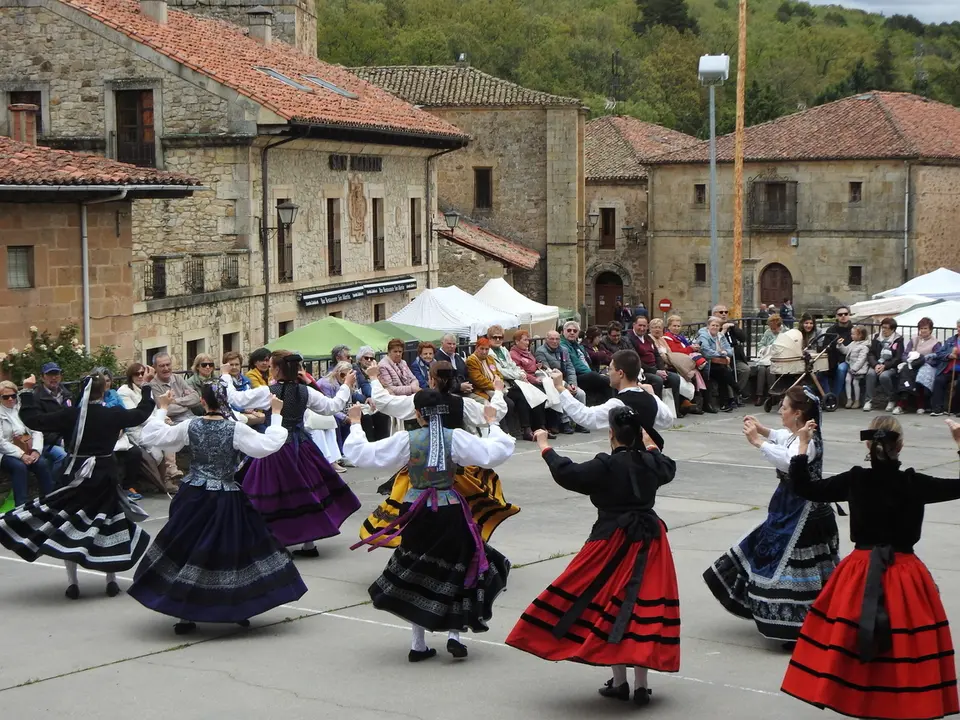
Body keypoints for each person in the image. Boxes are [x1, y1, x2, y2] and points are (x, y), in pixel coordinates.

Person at [780, 416, 960, 720]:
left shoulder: (856, 479)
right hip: (905, 573)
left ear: (868, 445)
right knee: (905, 644)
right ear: (900, 445)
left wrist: (802, 444)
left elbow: (805, 487)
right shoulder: (914, 483)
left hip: (859, 572)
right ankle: (901, 704)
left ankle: (863, 701)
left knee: (852, 639)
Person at [505, 408, 679, 706]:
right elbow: (667, 465)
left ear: (610, 433)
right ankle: (640, 685)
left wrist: (545, 446)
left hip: (611, 540)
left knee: (606, 601)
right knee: (640, 607)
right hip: (650, 542)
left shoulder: (605, 465)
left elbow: (567, 473)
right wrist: (650, 444)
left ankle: (621, 682)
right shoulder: (651, 462)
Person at [343, 390, 515, 662]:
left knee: (419, 570)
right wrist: (492, 423)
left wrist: (355, 423)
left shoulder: (406, 440)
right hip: (450, 510)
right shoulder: (455, 437)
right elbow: (495, 452)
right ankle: (454, 635)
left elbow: (363, 455)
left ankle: (418, 644)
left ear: (418, 414)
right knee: (456, 568)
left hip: (417, 511)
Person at [128, 383, 308, 635]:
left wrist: (162, 409)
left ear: (203, 401)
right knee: (232, 552)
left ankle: (184, 613)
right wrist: (276, 415)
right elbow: (268, 446)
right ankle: (236, 608)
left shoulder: (190, 425)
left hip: (194, 495)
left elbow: (152, 437)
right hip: (224, 497)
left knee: (188, 550)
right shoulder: (236, 428)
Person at [703, 386, 840, 645]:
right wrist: (764, 430)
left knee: (787, 559)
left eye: (784, 408)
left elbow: (790, 461)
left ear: (798, 414)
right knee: (769, 551)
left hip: (803, 513)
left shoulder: (807, 442)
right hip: (787, 505)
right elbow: (782, 438)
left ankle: (798, 621)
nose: (780, 411)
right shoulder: (797, 435)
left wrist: (758, 441)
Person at [0, 370, 154, 599]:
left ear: (82, 390)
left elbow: (33, 420)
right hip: (105, 476)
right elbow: (142, 412)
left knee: (69, 524)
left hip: (76, 475)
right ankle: (111, 580)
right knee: (108, 523)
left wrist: (28, 391)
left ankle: (73, 583)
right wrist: (147, 388)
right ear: (104, 390)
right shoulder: (113, 414)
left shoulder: (71, 415)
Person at [358, 360, 519, 548]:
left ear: (431, 380)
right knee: (462, 512)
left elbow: (385, 403)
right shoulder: (462, 404)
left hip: (422, 466)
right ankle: (458, 551)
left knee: (417, 510)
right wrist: (498, 392)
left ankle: (422, 550)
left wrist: (374, 379)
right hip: (456, 467)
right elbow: (494, 413)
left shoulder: (420, 401)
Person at [223, 351, 361, 557]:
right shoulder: (305, 391)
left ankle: (276, 540)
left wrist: (226, 375)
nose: (269, 369)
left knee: (271, 494)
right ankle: (308, 544)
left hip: (276, 447)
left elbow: (236, 399)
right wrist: (346, 385)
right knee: (305, 492)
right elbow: (332, 406)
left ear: (277, 369)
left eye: (271, 366)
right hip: (301, 447)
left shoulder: (268, 392)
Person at [550, 349, 674, 441]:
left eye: (610, 369)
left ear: (620, 373)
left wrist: (560, 388)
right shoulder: (650, 398)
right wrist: (653, 396)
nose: (608, 373)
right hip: (649, 462)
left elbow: (586, 417)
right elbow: (668, 420)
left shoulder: (619, 404)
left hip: (627, 462)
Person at [117, 362, 171, 494]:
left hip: (150, 426)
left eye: (143, 373)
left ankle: (169, 476)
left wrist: (163, 418)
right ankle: (161, 484)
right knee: (155, 448)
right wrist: (161, 420)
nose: (140, 376)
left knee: (169, 435)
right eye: (137, 373)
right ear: (131, 375)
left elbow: (151, 410)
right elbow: (137, 416)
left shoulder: (146, 389)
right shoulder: (124, 391)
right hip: (135, 429)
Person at [487, 325, 547, 440]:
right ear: (489, 338)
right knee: (522, 397)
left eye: (500, 337)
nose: (498, 340)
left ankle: (540, 426)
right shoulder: (489, 353)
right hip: (504, 385)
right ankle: (526, 429)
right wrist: (519, 375)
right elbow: (501, 371)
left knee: (537, 392)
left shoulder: (503, 350)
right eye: (495, 337)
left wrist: (522, 374)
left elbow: (513, 366)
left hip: (516, 382)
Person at [0, 379, 54, 506]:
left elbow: (36, 430)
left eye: (13, 396)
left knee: (41, 463)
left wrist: (36, 450)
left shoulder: (21, 409)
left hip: (26, 448)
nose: (10, 399)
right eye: (5, 397)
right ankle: (21, 505)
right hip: (5, 452)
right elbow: (1, 442)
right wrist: (21, 455)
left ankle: (49, 499)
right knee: (19, 467)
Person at [510, 329, 561, 436]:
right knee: (537, 395)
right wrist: (534, 380)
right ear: (517, 341)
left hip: (532, 379)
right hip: (522, 381)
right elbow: (520, 370)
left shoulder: (528, 352)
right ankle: (532, 428)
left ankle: (545, 425)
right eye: (524, 340)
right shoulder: (513, 354)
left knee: (549, 392)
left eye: (528, 340)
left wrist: (538, 366)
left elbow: (531, 366)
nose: (527, 342)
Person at [628, 315, 683, 413]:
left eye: (645, 326)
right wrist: (655, 371)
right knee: (657, 380)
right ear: (634, 325)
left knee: (675, 378)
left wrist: (662, 369)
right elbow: (636, 360)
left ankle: (674, 410)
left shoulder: (647, 338)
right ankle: (657, 411)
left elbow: (657, 355)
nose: (642, 328)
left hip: (656, 368)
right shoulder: (629, 339)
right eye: (640, 325)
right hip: (642, 371)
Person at [536, 330, 588, 434]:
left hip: (566, 380)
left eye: (557, 339)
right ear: (546, 339)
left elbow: (570, 368)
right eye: (552, 339)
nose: (555, 341)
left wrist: (573, 384)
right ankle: (565, 423)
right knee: (562, 392)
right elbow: (547, 371)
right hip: (553, 382)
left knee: (581, 393)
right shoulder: (540, 351)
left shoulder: (564, 350)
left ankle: (580, 422)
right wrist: (565, 385)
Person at [649, 318, 701, 417]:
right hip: (658, 366)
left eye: (659, 327)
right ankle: (681, 405)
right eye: (654, 327)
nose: (657, 330)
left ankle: (684, 404)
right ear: (650, 329)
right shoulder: (650, 339)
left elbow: (670, 354)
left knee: (691, 374)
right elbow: (661, 356)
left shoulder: (662, 339)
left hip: (669, 364)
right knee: (676, 377)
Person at [32, 361, 71, 480]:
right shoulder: (36, 398)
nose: (53, 378)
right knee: (63, 456)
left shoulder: (66, 394)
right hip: (47, 442)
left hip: (67, 438)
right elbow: (39, 427)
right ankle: (54, 488)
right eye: (49, 375)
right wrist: (60, 441)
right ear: (42, 377)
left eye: (56, 374)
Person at [894, 317, 941, 416]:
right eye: (921, 328)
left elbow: (937, 358)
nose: (923, 331)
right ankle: (903, 404)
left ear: (930, 330)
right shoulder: (914, 339)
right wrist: (908, 360)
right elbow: (905, 354)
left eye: (925, 328)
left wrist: (923, 361)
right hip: (912, 364)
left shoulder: (936, 343)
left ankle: (917, 404)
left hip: (926, 365)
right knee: (906, 373)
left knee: (919, 374)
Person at [697, 317, 740, 412]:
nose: (715, 327)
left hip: (718, 364)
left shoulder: (720, 336)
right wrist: (721, 353)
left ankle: (725, 404)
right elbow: (707, 352)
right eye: (713, 325)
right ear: (708, 326)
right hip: (707, 364)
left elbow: (729, 350)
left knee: (723, 374)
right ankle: (736, 389)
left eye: (717, 326)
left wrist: (724, 353)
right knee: (723, 373)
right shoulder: (704, 336)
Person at [561, 321, 612, 399]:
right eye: (569, 330)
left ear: (578, 333)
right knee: (601, 378)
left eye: (575, 331)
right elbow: (576, 364)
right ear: (563, 331)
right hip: (575, 376)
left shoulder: (578, 346)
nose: (572, 333)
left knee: (608, 381)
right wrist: (593, 373)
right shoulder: (563, 346)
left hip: (586, 372)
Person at [147, 352, 201, 423]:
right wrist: (188, 405)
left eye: (168, 364)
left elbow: (195, 397)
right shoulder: (153, 385)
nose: (166, 368)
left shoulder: (177, 378)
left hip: (191, 417)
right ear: (155, 368)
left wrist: (175, 401)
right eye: (162, 366)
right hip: (175, 423)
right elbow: (165, 409)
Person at [863, 318, 904, 413]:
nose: (884, 330)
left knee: (884, 376)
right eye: (883, 327)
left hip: (891, 366)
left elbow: (897, 358)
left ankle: (891, 399)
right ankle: (869, 401)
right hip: (877, 364)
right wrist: (875, 364)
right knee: (870, 374)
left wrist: (885, 366)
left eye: (886, 328)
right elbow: (871, 353)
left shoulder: (898, 339)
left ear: (893, 329)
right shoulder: (877, 337)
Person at [354, 346, 389, 441]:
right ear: (360, 359)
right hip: (361, 402)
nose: (369, 360)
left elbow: (385, 384)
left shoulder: (376, 369)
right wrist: (368, 397)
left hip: (373, 400)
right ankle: (371, 443)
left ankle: (383, 443)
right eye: (366, 358)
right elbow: (360, 388)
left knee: (383, 414)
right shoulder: (356, 370)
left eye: (372, 358)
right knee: (367, 417)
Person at [931, 320, 960, 417]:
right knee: (939, 380)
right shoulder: (951, 340)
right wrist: (949, 355)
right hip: (950, 368)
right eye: (959, 327)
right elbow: (939, 353)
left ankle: (955, 409)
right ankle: (937, 408)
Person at [825, 306, 854, 402]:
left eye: (846, 314)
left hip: (848, 359)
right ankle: (827, 396)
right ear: (836, 316)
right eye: (840, 314)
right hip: (832, 358)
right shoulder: (831, 330)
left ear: (849, 315)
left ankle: (834, 398)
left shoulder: (854, 331)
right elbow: (826, 346)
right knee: (820, 372)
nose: (843, 316)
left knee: (841, 369)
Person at [754, 314, 784, 406]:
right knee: (761, 369)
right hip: (768, 356)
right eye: (771, 328)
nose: (773, 330)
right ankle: (759, 395)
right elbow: (761, 344)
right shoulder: (768, 332)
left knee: (769, 369)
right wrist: (764, 348)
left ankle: (772, 395)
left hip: (778, 358)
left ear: (779, 326)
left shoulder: (785, 332)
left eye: (775, 328)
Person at [838, 325, 870, 409]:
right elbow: (845, 351)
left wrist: (855, 368)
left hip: (858, 369)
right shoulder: (853, 343)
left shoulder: (864, 346)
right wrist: (840, 345)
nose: (851, 335)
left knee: (855, 383)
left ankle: (857, 400)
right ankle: (849, 399)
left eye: (853, 334)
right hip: (850, 366)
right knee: (847, 380)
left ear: (860, 335)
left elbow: (861, 360)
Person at [465, 337, 502, 402]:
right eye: (482, 349)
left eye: (487, 349)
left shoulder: (490, 358)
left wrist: (500, 382)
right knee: (508, 403)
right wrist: (495, 386)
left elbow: (498, 373)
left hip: (494, 389)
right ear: (476, 348)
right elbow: (479, 380)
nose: (484, 352)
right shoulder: (471, 360)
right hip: (481, 390)